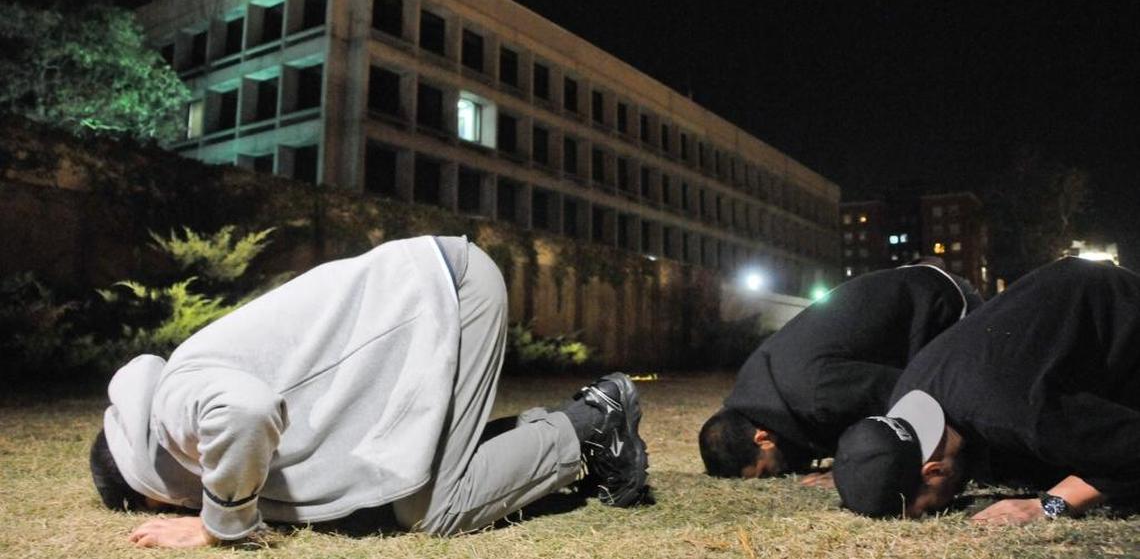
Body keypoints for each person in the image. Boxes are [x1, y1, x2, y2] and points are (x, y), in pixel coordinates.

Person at [89, 235, 649, 548]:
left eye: (161, 504)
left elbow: (244, 412)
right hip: (427, 300)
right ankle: (562, 429)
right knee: (412, 481)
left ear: (144, 484)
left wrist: (219, 524)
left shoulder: (171, 406)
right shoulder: (178, 394)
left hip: (446, 298)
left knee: (433, 509)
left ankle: (590, 424)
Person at [833, 257, 1140, 523]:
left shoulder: (1018, 413)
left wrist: (1051, 505)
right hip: (1080, 295)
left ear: (933, 472)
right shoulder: (908, 394)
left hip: (1125, 314)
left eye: (928, 508)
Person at [699, 260, 981, 480]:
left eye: (767, 472)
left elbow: (911, 396)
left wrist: (856, 468)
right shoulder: (764, 388)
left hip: (944, 307)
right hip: (917, 289)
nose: (779, 475)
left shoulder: (815, 392)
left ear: (763, 439)